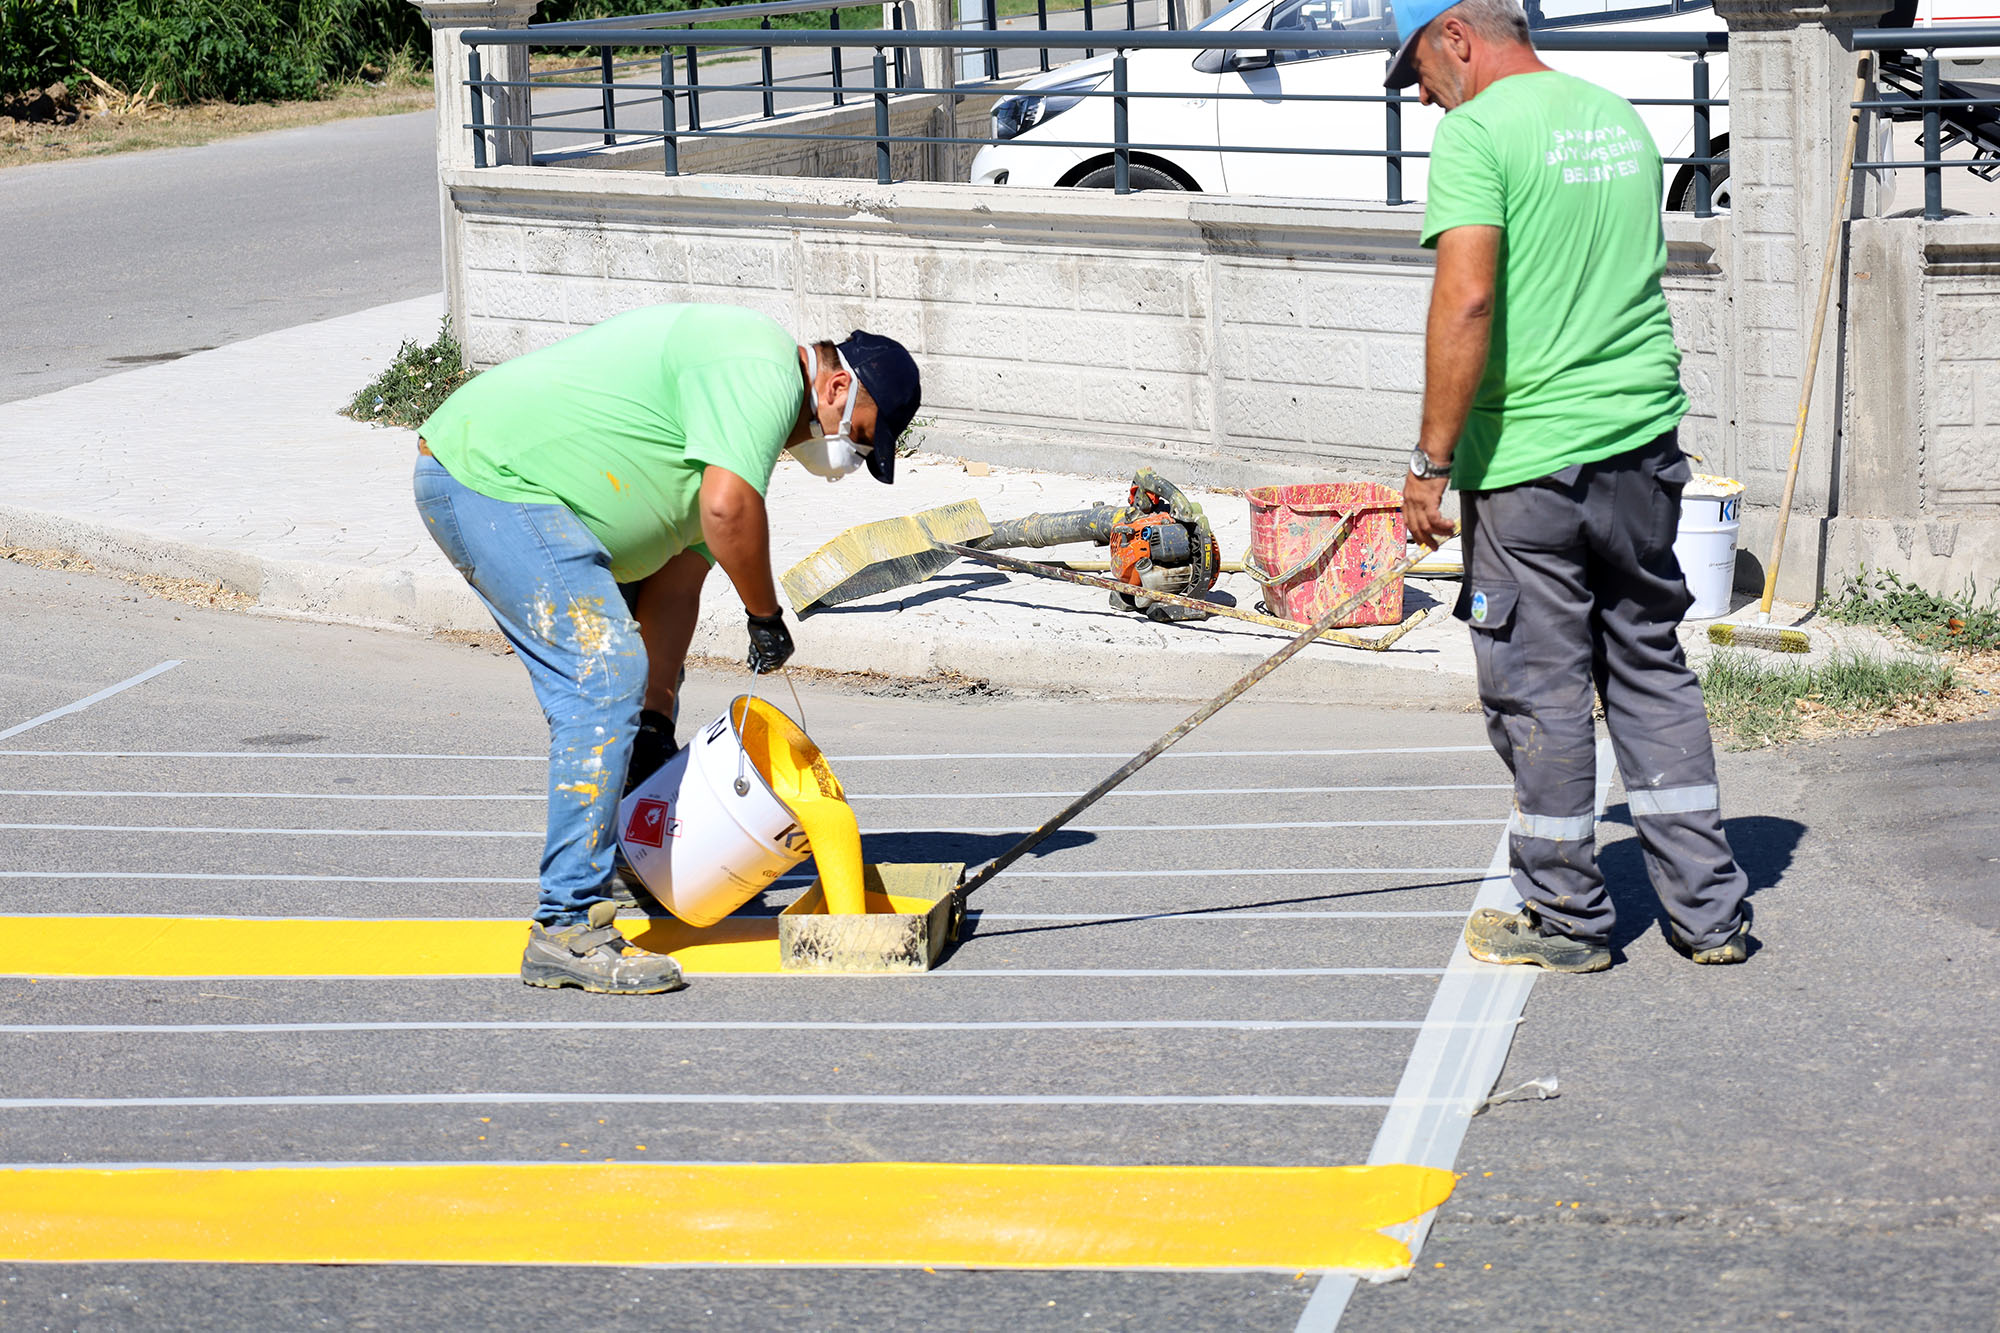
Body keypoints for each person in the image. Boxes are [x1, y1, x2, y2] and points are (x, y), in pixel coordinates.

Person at [1388, 0, 1750, 972]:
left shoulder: (1476, 132)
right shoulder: (1612, 114)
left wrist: (1428, 462)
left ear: (1455, 33)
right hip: (1640, 444)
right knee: (1646, 661)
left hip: (1529, 469)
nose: (1422, 97)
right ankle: (1709, 914)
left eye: (1418, 69)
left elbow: (1466, 297)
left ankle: (1564, 919)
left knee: (1535, 689)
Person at [412, 304, 921, 994]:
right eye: (860, 440)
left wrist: (655, 719)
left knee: (632, 685)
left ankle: (619, 870)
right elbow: (726, 511)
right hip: (491, 478)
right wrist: (764, 615)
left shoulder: (736, 430)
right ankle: (565, 927)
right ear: (836, 390)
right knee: (603, 677)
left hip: (514, 491)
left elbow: (679, 582)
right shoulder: (764, 369)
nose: (852, 460)